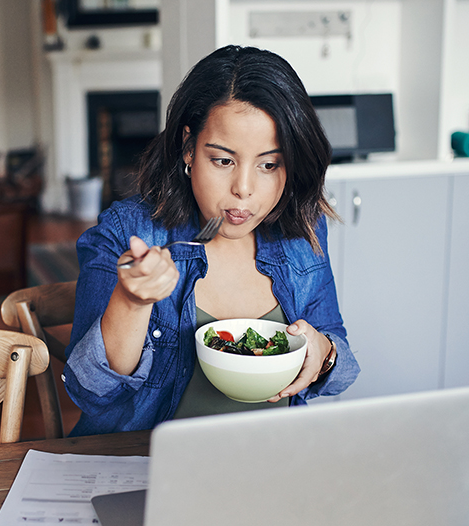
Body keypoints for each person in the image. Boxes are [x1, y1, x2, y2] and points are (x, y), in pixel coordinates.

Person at [62, 45, 360, 436]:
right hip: (149, 472)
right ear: (189, 147)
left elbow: (338, 353)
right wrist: (133, 301)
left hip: (272, 465)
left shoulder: (301, 230)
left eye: (269, 165)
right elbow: (89, 390)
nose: (244, 189)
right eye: (223, 161)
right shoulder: (129, 231)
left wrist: (324, 353)